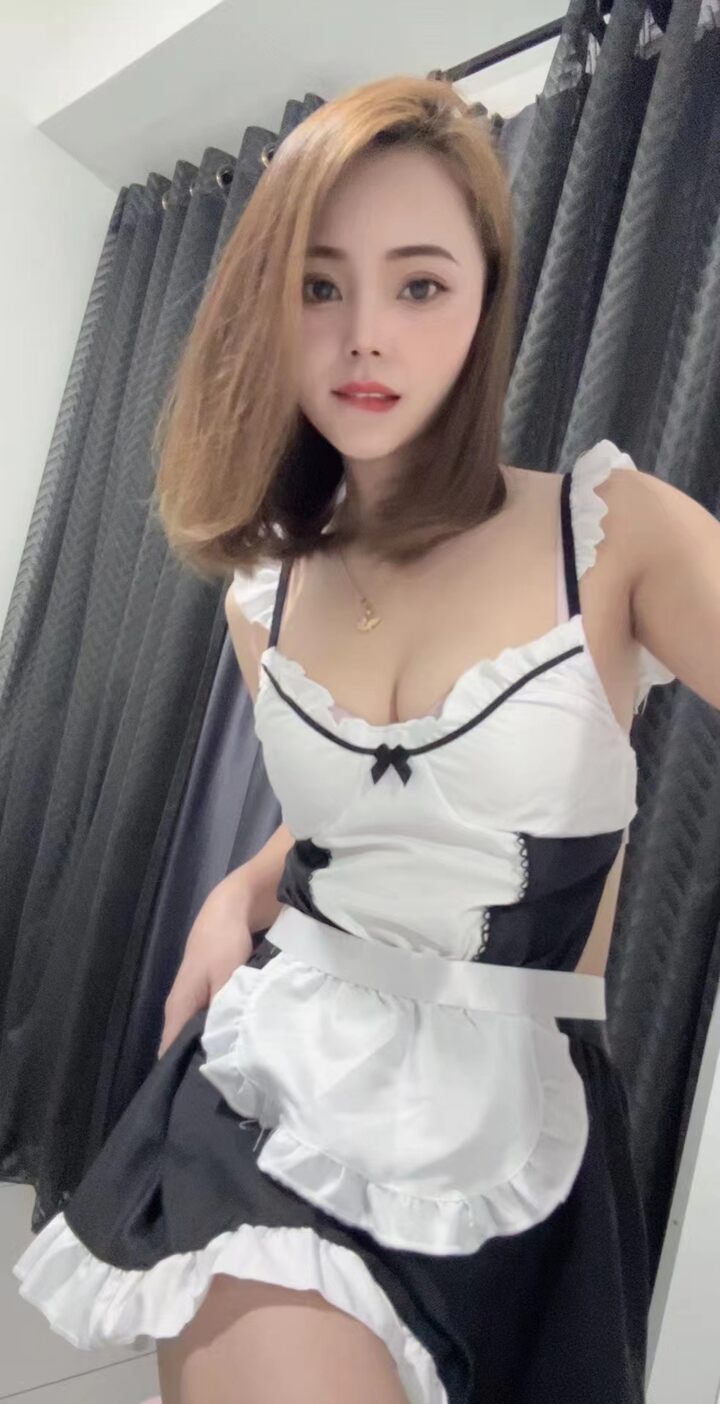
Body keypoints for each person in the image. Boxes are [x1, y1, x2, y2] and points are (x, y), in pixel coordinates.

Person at [13, 72, 720, 1404]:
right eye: (319, 286)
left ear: (486, 301)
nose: (364, 339)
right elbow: (343, 823)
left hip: (511, 1108)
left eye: (419, 284)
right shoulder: (263, 593)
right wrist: (239, 893)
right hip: (279, 1069)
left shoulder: (612, 534)